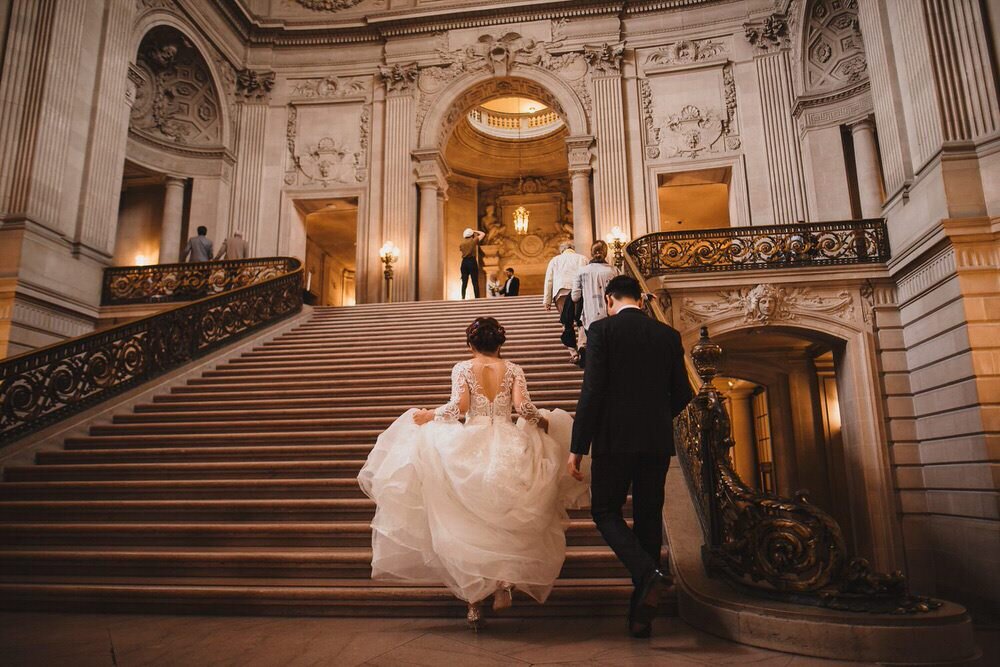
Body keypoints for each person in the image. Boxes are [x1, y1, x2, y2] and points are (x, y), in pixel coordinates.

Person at [358, 317, 588, 630]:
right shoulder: (514, 369)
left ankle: (473, 604)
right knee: (507, 518)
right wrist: (541, 422)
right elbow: (524, 407)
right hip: (510, 442)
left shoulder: (463, 367)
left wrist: (429, 415)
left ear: (471, 344)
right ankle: (506, 580)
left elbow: (459, 406)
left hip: (474, 443)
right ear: (501, 344)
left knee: (468, 522)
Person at [568, 275, 694, 639]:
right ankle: (641, 618)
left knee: (605, 511)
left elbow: (592, 392)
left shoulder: (602, 331)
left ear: (609, 299)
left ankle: (646, 572)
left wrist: (578, 447)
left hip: (613, 438)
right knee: (648, 517)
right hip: (655, 440)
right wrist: (656, 418)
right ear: (640, 299)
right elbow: (683, 394)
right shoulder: (668, 336)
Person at [571, 240, 619, 366]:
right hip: (610, 314)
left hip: (590, 315)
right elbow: (622, 292)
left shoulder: (581, 271)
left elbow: (575, 297)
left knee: (594, 346)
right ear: (606, 253)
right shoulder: (614, 271)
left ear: (591, 253)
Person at [543, 241, 588, 354]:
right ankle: (582, 344)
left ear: (562, 250)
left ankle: (573, 352)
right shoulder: (583, 258)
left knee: (566, 321)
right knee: (581, 319)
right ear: (573, 249)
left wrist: (547, 301)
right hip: (580, 291)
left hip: (561, 292)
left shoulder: (555, 260)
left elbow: (549, 280)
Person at [459, 228, 485, 299]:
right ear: (472, 234)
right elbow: (483, 234)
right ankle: (477, 298)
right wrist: (474, 231)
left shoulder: (461, 244)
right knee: (475, 281)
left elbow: (461, 250)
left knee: (464, 282)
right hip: (472, 261)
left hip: (464, 263)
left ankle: (463, 297)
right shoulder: (473, 241)